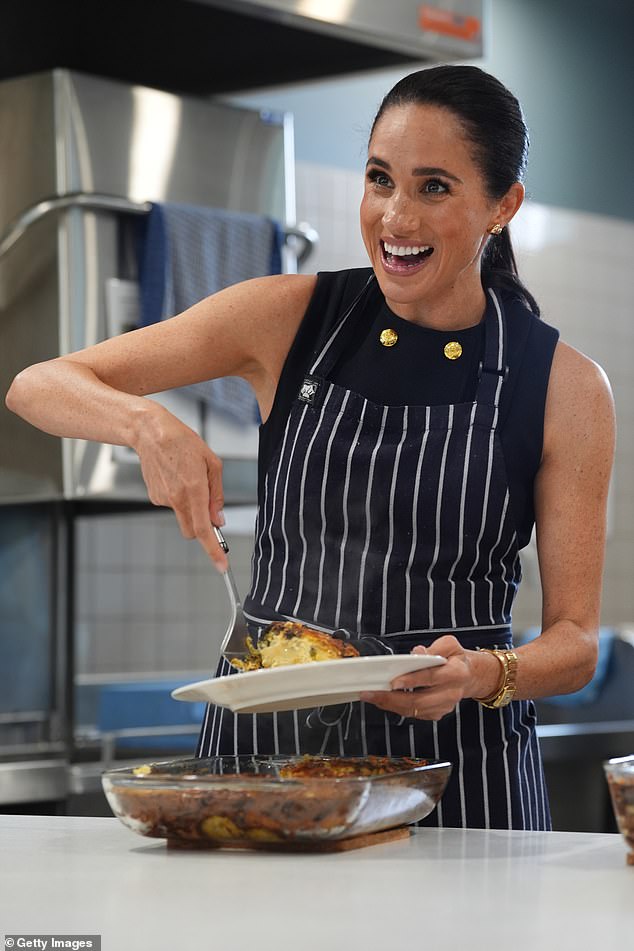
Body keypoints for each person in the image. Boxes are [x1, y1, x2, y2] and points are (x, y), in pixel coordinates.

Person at [5, 65, 615, 831]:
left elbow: (576, 644)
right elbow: (38, 383)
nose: (396, 216)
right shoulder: (289, 318)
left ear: (503, 206)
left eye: (434, 187)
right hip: (265, 763)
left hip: (464, 776)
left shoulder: (565, 386)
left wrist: (483, 672)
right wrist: (143, 423)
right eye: (379, 178)